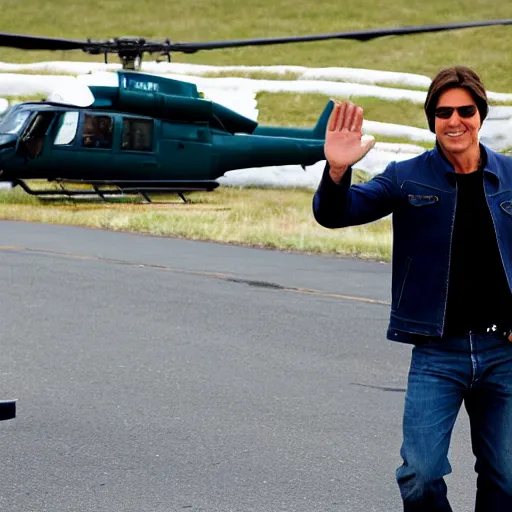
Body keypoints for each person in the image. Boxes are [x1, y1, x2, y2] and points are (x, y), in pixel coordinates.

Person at [312, 66, 512, 511]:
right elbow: (337, 213)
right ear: (432, 119)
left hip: (504, 352)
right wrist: (338, 170)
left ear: (480, 115)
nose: (455, 120)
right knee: (419, 475)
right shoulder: (406, 176)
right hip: (438, 352)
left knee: (508, 478)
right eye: (444, 112)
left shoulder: (511, 176)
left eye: (465, 110)